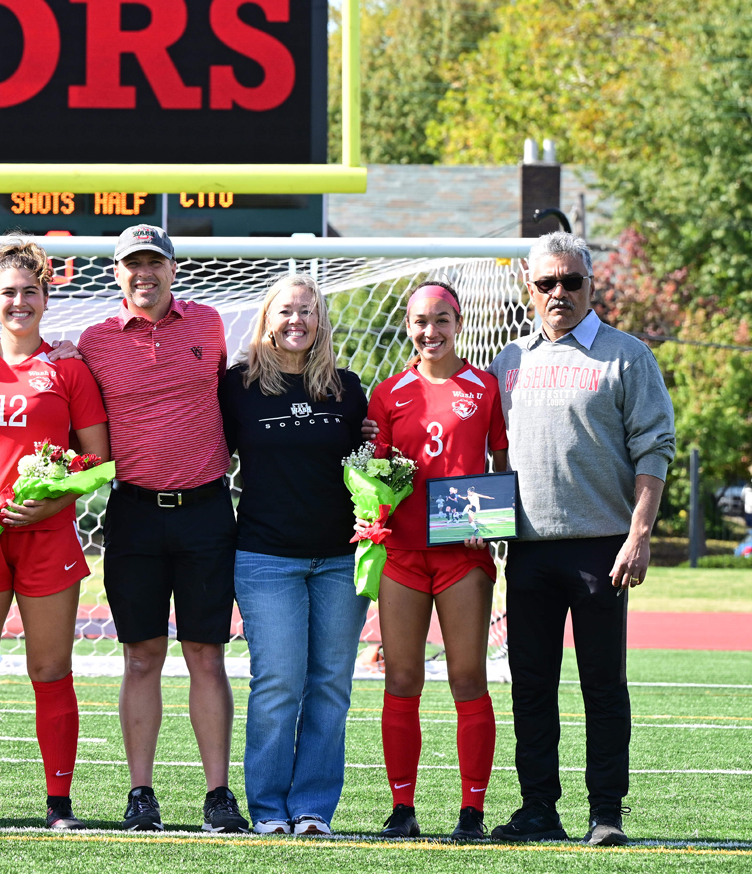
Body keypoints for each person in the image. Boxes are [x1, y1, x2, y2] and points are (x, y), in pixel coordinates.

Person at [490, 232, 675, 847]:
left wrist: (640, 534)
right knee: (531, 683)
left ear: (591, 285)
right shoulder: (508, 361)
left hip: (603, 548)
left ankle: (606, 813)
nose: (559, 293)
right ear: (529, 286)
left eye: (571, 281)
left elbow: (656, 447)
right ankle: (539, 807)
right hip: (528, 550)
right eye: (547, 283)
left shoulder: (627, 356)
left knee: (602, 684)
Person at [0, 238, 109, 832]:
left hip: (49, 537)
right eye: (8, 291)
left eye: (30, 291)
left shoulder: (70, 371)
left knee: (51, 671)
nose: (19, 301)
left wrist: (54, 499)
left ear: (46, 298)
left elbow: (99, 461)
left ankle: (59, 806)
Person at [76, 224, 246, 833]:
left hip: (205, 509)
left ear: (174, 269)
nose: (142, 273)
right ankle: (140, 793)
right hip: (135, 513)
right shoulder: (92, 342)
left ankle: (219, 795)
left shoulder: (211, 324)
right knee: (141, 657)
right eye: (131, 264)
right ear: (116, 274)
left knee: (207, 653)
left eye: (154, 262)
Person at [219, 274, 370, 837]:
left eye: (308, 312)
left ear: (321, 320)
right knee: (279, 681)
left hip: (339, 559)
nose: (297, 321)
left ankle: (312, 808)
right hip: (266, 557)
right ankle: (268, 808)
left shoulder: (347, 388)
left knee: (331, 684)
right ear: (268, 316)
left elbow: (367, 466)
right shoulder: (236, 387)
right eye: (286, 311)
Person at [363, 280, 509, 842]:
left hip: (463, 556)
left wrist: (490, 522)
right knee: (401, 677)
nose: (431, 331)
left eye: (442, 319)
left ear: (459, 323)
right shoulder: (388, 393)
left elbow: (500, 461)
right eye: (421, 321)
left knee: (467, 677)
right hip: (402, 552)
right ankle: (403, 808)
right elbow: (372, 474)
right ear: (408, 326)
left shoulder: (486, 388)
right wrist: (370, 509)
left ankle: (472, 811)